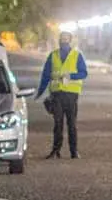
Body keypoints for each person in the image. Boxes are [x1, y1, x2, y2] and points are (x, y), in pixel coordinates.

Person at [36, 31, 88, 159]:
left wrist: (71, 76)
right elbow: (46, 74)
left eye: (66, 39)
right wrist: (40, 92)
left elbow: (84, 73)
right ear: (59, 40)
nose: (63, 41)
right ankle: (56, 151)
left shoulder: (77, 55)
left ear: (70, 40)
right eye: (62, 39)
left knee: (72, 124)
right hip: (57, 94)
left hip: (71, 95)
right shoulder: (53, 55)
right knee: (58, 123)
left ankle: (73, 151)